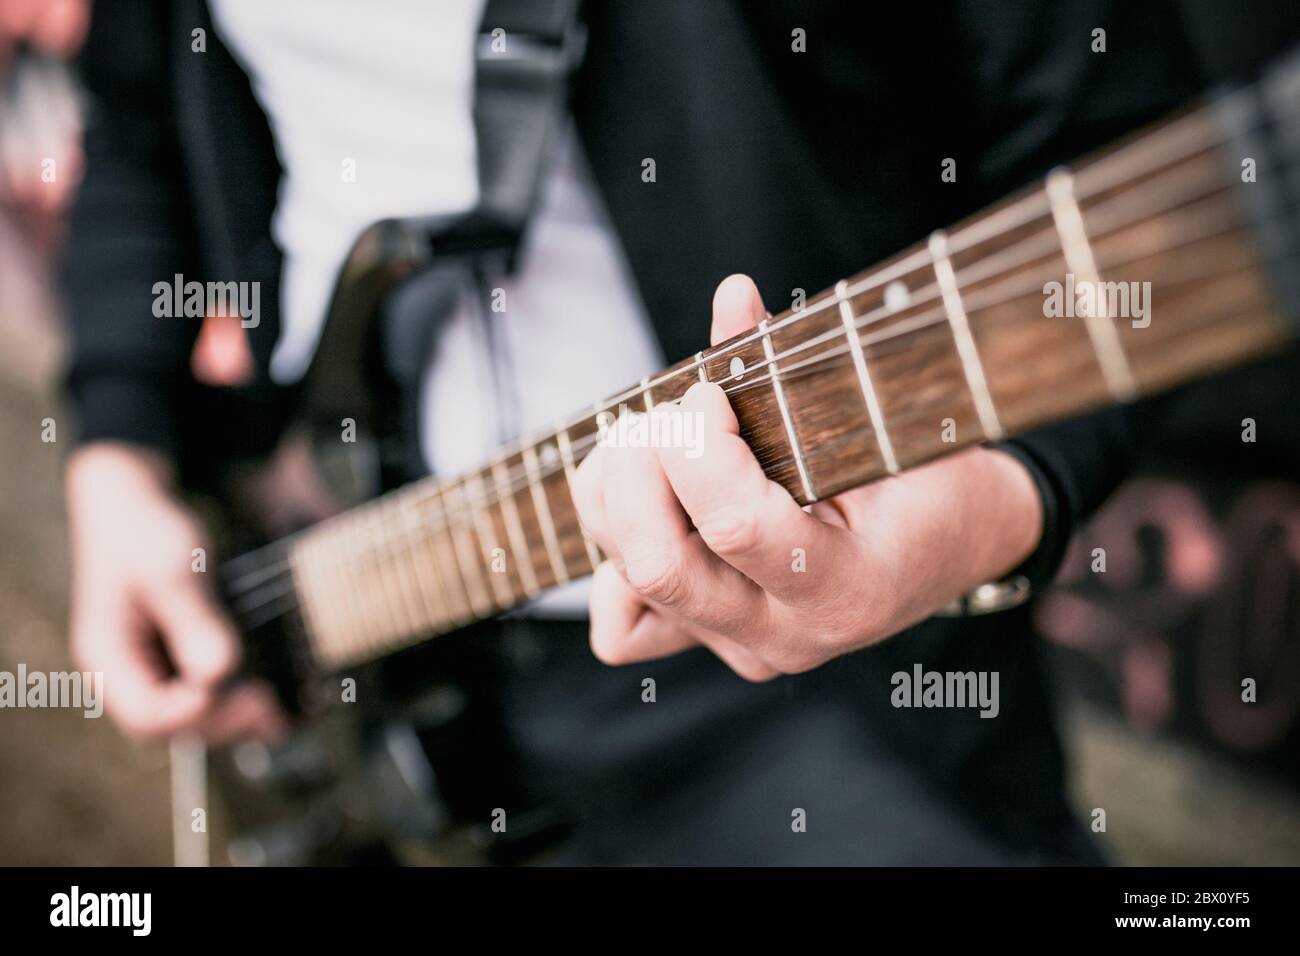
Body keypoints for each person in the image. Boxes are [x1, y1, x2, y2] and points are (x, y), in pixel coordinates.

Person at [60, 0, 1300, 863]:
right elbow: (134, 117)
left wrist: (982, 511)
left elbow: (1112, 166)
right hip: (332, 592)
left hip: (819, 688)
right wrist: (116, 453)